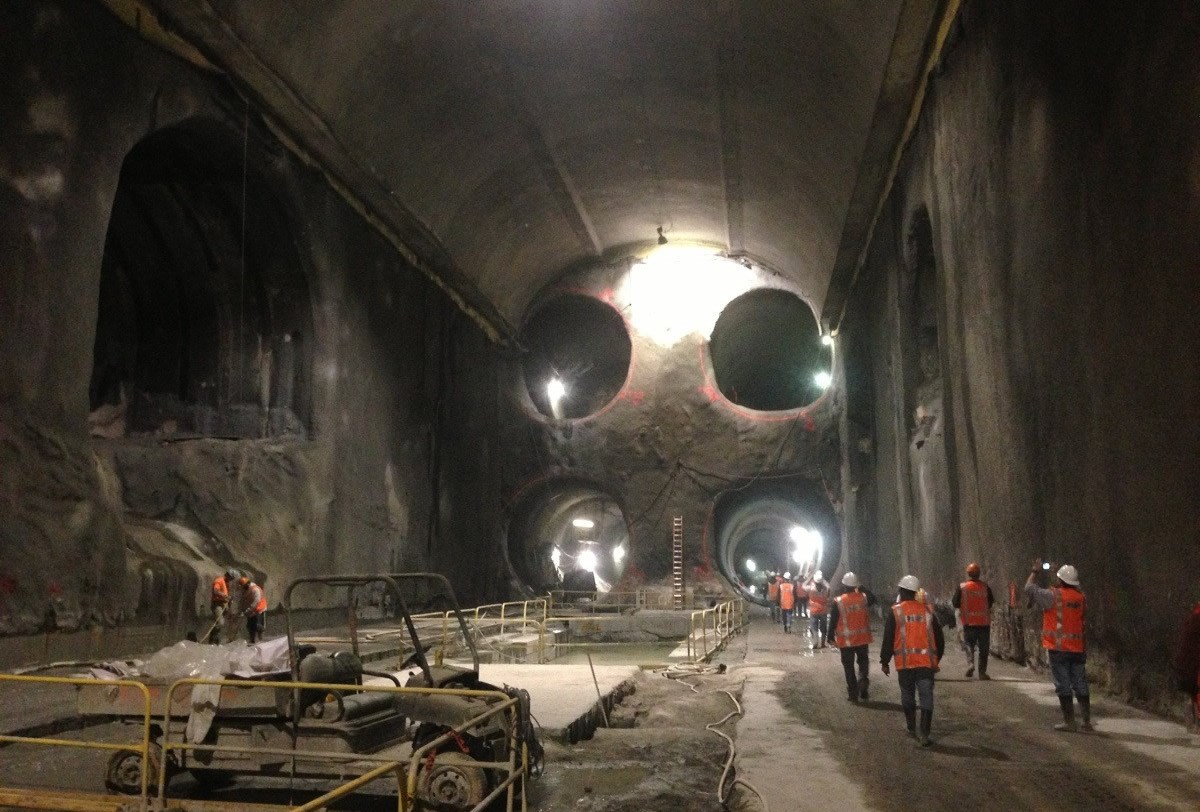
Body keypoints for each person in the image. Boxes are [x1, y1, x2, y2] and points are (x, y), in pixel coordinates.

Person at [1025, 558, 1091, 731]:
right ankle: (1086, 722)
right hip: (1078, 648)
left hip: (1059, 649)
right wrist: (1057, 575)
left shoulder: (1052, 596)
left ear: (1061, 580)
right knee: (1080, 683)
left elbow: (1029, 589)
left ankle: (1070, 722)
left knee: (1063, 685)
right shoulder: (1081, 597)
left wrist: (1035, 571)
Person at [880, 575, 944, 746]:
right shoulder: (928, 612)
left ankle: (911, 726)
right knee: (926, 696)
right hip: (925, 664)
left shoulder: (895, 611)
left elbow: (888, 638)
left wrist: (884, 661)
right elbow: (939, 638)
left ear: (901, 591)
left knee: (907, 695)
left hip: (905, 664)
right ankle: (924, 733)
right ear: (916, 593)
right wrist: (936, 658)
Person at [827, 571, 877, 701]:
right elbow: (873, 597)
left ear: (844, 586)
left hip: (846, 641)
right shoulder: (864, 598)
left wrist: (830, 636)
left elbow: (833, 620)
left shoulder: (838, 601)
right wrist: (860, 586)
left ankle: (853, 693)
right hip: (862, 639)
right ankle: (863, 682)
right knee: (863, 662)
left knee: (848, 667)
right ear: (856, 586)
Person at [952, 562, 994, 679]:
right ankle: (982, 672)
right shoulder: (985, 587)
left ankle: (970, 664)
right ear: (979, 574)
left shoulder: (962, 587)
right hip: (984, 623)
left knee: (969, 644)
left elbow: (955, 602)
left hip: (969, 623)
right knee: (984, 648)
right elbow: (990, 602)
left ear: (968, 574)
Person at [1172, 601, 1200, 731]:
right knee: (1194, 693)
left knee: (1192, 694)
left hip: (1188, 664)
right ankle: (1194, 722)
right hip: (1193, 664)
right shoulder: (1195, 619)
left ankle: (1192, 721)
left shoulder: (1191, 618)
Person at [207, 568, 238, 644]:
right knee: (220, 622)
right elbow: (216, 591)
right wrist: (225, 596)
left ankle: (216, 639)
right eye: (232, 578)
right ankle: (212, 640)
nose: (232, 580)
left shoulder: (226, 583)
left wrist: (229, 600)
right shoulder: (219, 580)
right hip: (217, 604)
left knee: (221, 623)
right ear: (228, 575)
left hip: (223, 604)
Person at [239, 576, 268, 645]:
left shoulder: (255, 589)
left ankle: (261, 641)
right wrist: (242, 610)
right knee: (250, 626)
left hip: (259, 609)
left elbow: (256, 602)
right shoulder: (245, 590)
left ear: (247, 584)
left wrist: (247, 610)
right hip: (251, 611)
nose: (242, 588)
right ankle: (252, 641)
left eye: (244, 586)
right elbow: (243, 601)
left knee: (258, 625)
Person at [807, 571, 830, 648]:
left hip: (814, 610)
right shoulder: (826, 588)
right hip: (823, 610)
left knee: (814, 627)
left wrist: (809, 577)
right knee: (823, 628)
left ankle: (815, 642)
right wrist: (824, 581)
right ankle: (823, 644)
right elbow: (829, 589)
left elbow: (803, 586)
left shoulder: (811, 588)